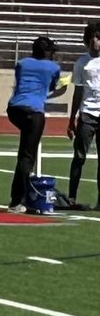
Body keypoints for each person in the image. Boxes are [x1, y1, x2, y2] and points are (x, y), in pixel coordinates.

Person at [6, 35, 60, 213]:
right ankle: (17, 201)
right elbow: (51, 87)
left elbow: (21, 81)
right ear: (46, 52)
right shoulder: (54, 67)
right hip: (34, 111)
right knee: (27, 157)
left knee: (24, 152)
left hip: (14, 109)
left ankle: (18, 198)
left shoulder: (22, 63)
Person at [68, 21, 100, 210]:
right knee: (79, 157)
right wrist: (72, 118)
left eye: (98, 37)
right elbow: (78, 91)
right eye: (92, 38)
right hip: (87, 114)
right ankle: (71, 197)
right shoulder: (81, 63)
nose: (95, 42)